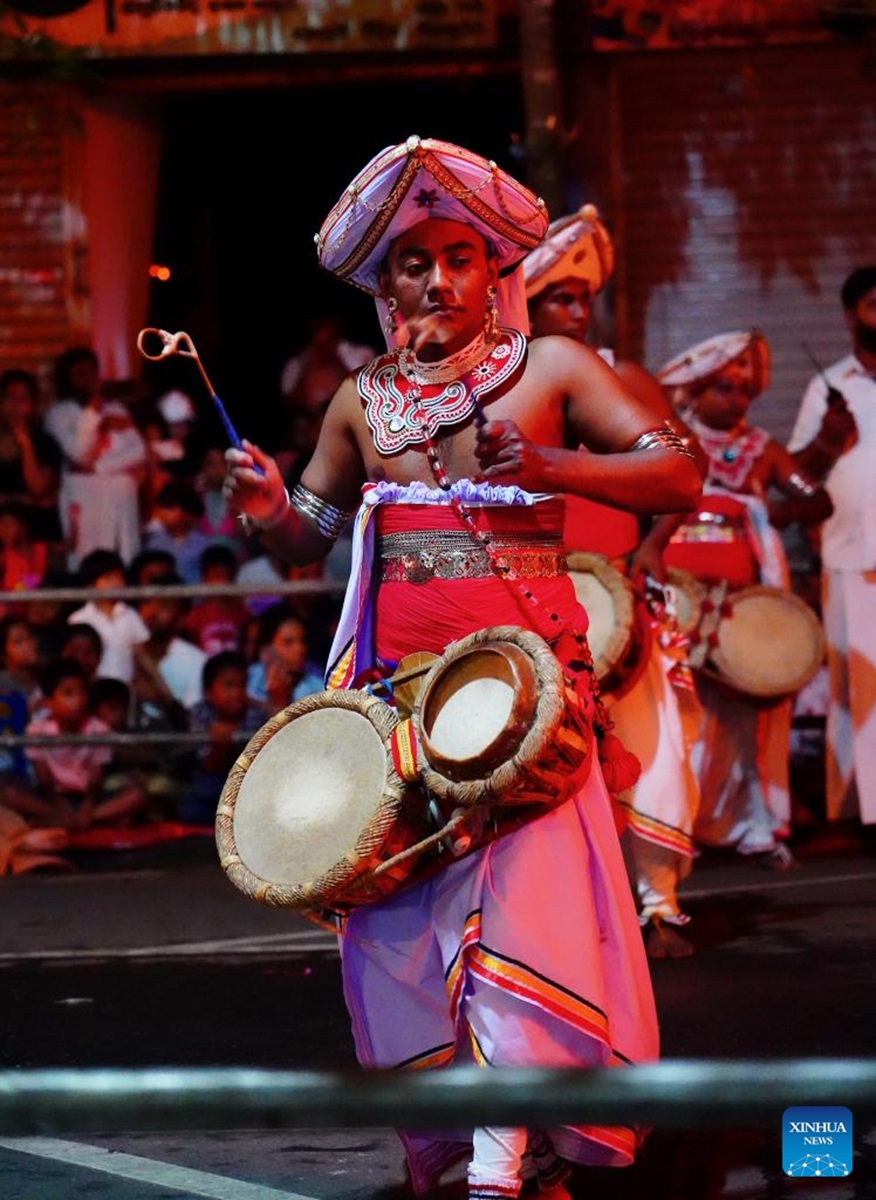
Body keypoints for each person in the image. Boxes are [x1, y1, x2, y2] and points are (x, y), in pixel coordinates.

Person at [225, 137, 701, 1200]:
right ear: (383, 285)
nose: (436, 278)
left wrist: (552, 466)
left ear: (494, 272)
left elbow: (680, 472)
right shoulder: (361, 402)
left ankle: (508, 1155)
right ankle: (464, 1133)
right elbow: (309, 535)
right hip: (397, 702)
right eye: (411, 262)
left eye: (457, 257)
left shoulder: (557, 371)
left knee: (519, 919)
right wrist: (267, 511)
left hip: (523, 703)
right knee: (402, 930)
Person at [524, 205, 704, 957]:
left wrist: (655, 549)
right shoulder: (509, 387)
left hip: (618, 592)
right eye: (559, 299)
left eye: (583, 298)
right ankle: (560, 915)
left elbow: (684, 469)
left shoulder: (620, 377)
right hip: (535, 596)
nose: (576, 309)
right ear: (523, 305)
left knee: (647, 747)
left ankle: (656, 905)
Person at [659, 331, 832, 863]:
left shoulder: (764, 451)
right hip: (678, 603)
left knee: (747, 721)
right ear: (695, 392)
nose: (735, 400)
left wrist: (758, 512)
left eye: (742, 391)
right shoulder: (673, 442)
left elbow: (817, 499)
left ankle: (755, 823)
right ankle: (679, 825)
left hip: (740, 607)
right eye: (722, 389)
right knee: (682, 717)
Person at [787, 266, 876, 834]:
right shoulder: (829, 387)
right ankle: (866, 815)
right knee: (858, 695)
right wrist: (829, 437)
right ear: (850, 316)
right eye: (873, 305)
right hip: (851, 558)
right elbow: (798, 476)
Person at [43, 347, 147, 566]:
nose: (88, 379)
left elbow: (138, 450)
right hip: (84, 497)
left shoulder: (116, 409)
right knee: (85, 561)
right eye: (80, 374)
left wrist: (100, 468)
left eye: (92, 372)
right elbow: (80, 454)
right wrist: (95, 416)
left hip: (120, 498)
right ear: (68, 379)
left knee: (124, 559)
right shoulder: (59, 414)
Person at [183, 651, 263, 825]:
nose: (236, 693)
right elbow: (206, 764)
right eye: (228, 686)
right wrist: (220, 743)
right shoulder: (198, 714)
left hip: (248, 784)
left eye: (241, 686)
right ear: (208, 692)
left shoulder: (254, 716)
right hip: (209, 783)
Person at [67, 549, 150, 684]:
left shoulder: (131, 616)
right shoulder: (78, 619)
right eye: (108, 578)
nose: (116, 583)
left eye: (119, 577)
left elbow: (143, 656)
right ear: (91, 585)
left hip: (126, 689)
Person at [0, 368, 62, 543]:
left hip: (39, 537)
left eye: (22, 399)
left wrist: (26, 446)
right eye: (9, 398)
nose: (15, 406)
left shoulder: (46, 443)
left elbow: (38, 489)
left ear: (33, 404)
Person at [246, 602, 324, 715]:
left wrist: (281, 702)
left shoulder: (317, 688)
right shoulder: (246, 682)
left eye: (302, 641)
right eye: (288, 643)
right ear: (266, 650)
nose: (300, 649)